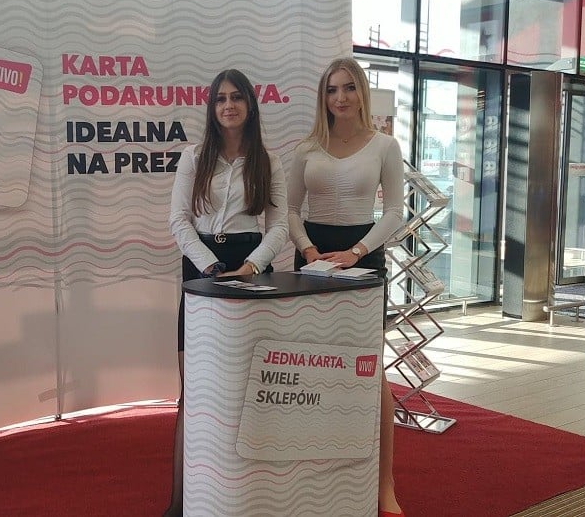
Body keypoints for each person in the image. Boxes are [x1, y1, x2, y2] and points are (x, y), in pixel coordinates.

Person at [164, 69, 288, 517]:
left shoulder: (267, 161)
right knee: (194, 395)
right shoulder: (193, 157)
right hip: (203, 272)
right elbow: (179, 221)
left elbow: (278, 226)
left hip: (251, 270)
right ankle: (180, 503)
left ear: (250, 105)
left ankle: (246, 498)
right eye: (220, 99)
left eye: (236, 98)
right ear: (212, 107)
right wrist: (212, 268)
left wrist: (251, 266)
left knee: (247, 390)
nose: (228, 106)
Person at [287, 57, 406, 517]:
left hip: (363, 257)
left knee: (370, 369)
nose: (341, 97)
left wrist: (357, 251)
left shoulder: (385, 146)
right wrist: (307, 250)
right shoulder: (306, 148)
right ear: (324, 96)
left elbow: (393, 212)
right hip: (312, 259)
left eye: (349, 88)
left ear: (362, 93)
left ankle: (384, 484)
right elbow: (290, 210)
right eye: (332, 89)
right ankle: (316, 471)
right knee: (311, 362)